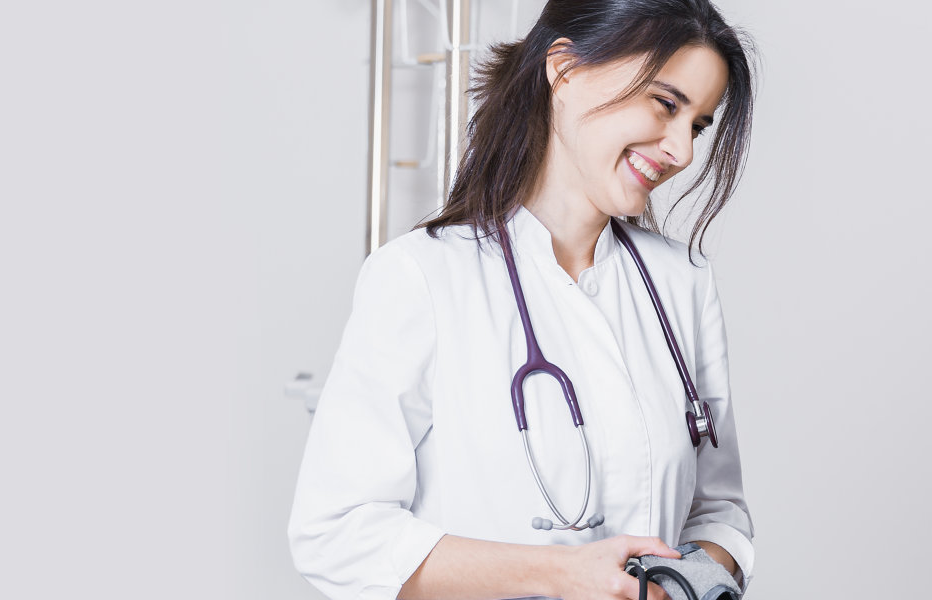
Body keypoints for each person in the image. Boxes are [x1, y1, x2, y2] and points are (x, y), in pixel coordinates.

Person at [288, 1, 757, 598]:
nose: (682, 152)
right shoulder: (421, 277)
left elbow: (721, 512)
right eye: (665, 104)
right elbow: (335, 532)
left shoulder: (681, 283)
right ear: (563, 70)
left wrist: (674, 585)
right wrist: (564, 575)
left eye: (695, 125)